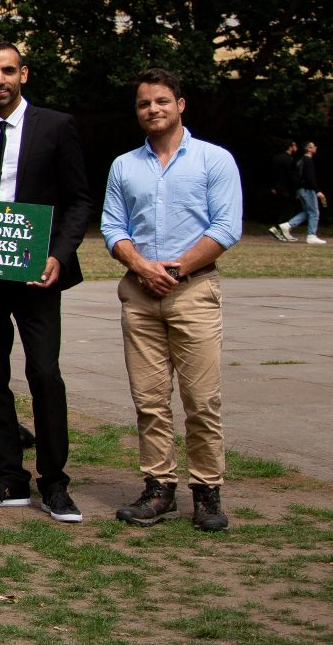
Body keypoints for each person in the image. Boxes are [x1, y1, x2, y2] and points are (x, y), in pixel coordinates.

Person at [0, 41, 92, 522]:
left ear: (24, 74)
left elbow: (78, 201)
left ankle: (54, 482)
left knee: (44, 373)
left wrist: (58, 254)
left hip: (37, 275)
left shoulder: (56, 126)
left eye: (8, 71)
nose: (0, 80)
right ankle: (8, 476)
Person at [102, 68, 242, 532]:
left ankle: (207, 492)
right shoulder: (125, 165)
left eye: (161, 101)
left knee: (201, 400)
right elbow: (112, 227)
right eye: (144, 104)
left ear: (180, 104)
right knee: (149, 399)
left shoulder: (213, 160)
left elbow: (225, 228)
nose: (153, 110)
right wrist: (143, 268)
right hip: (140, 293)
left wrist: (176, 269)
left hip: (194, 290)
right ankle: (159, 488)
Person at [274, 141, 326, 244]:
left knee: (307, 211)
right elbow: (309, 178)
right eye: (313, 146)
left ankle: (287, 225)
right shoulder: (308, 160)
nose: (315, 147)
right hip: (308, 189)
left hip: (301, 189)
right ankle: (311, 235)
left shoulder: (300, 160)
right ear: (308, 149)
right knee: (314, 212)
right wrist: (317, 191)